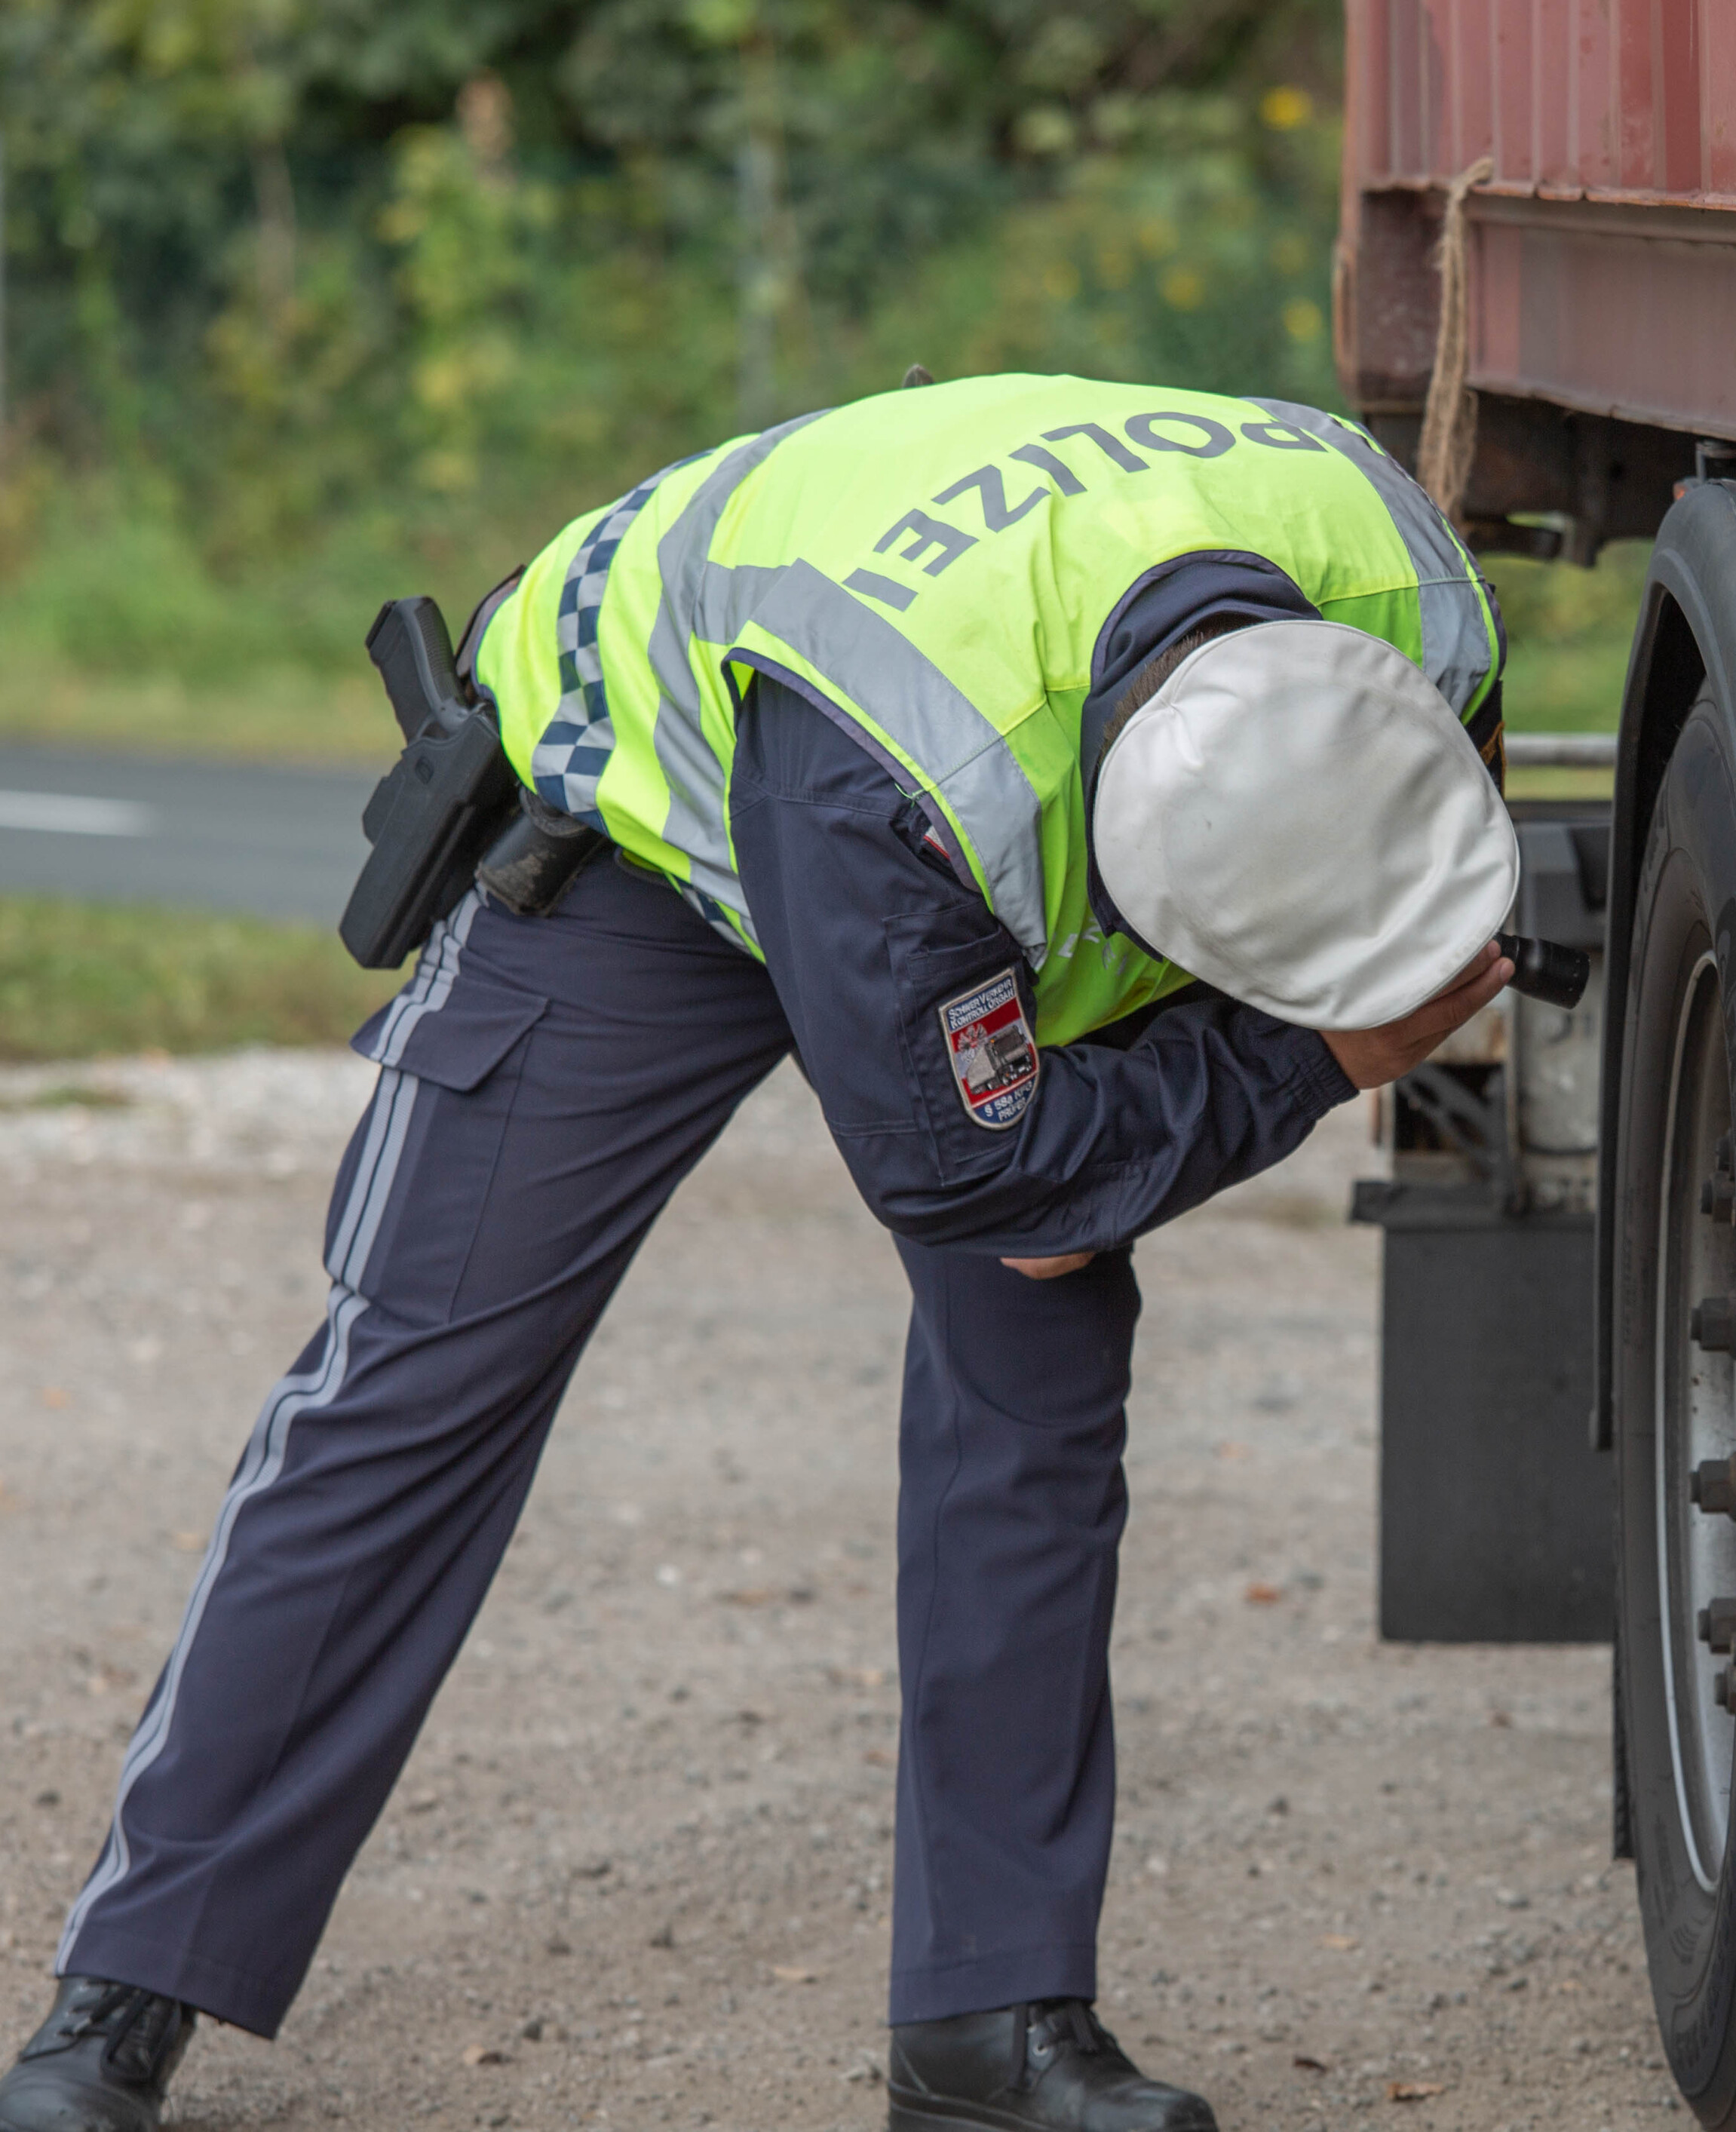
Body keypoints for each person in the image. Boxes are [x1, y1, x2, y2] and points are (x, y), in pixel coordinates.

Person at [0, 374, 1523, 2132]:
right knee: (421, 1379)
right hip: (655, 827)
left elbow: (1412, 895)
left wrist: (1193, 1091)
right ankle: (126, 1992)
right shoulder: (896, 771)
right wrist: (1310, 1060)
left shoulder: (1415, 600)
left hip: (980, 800)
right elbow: (984, 1181)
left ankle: (990, 2027)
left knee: (1037, 1386)